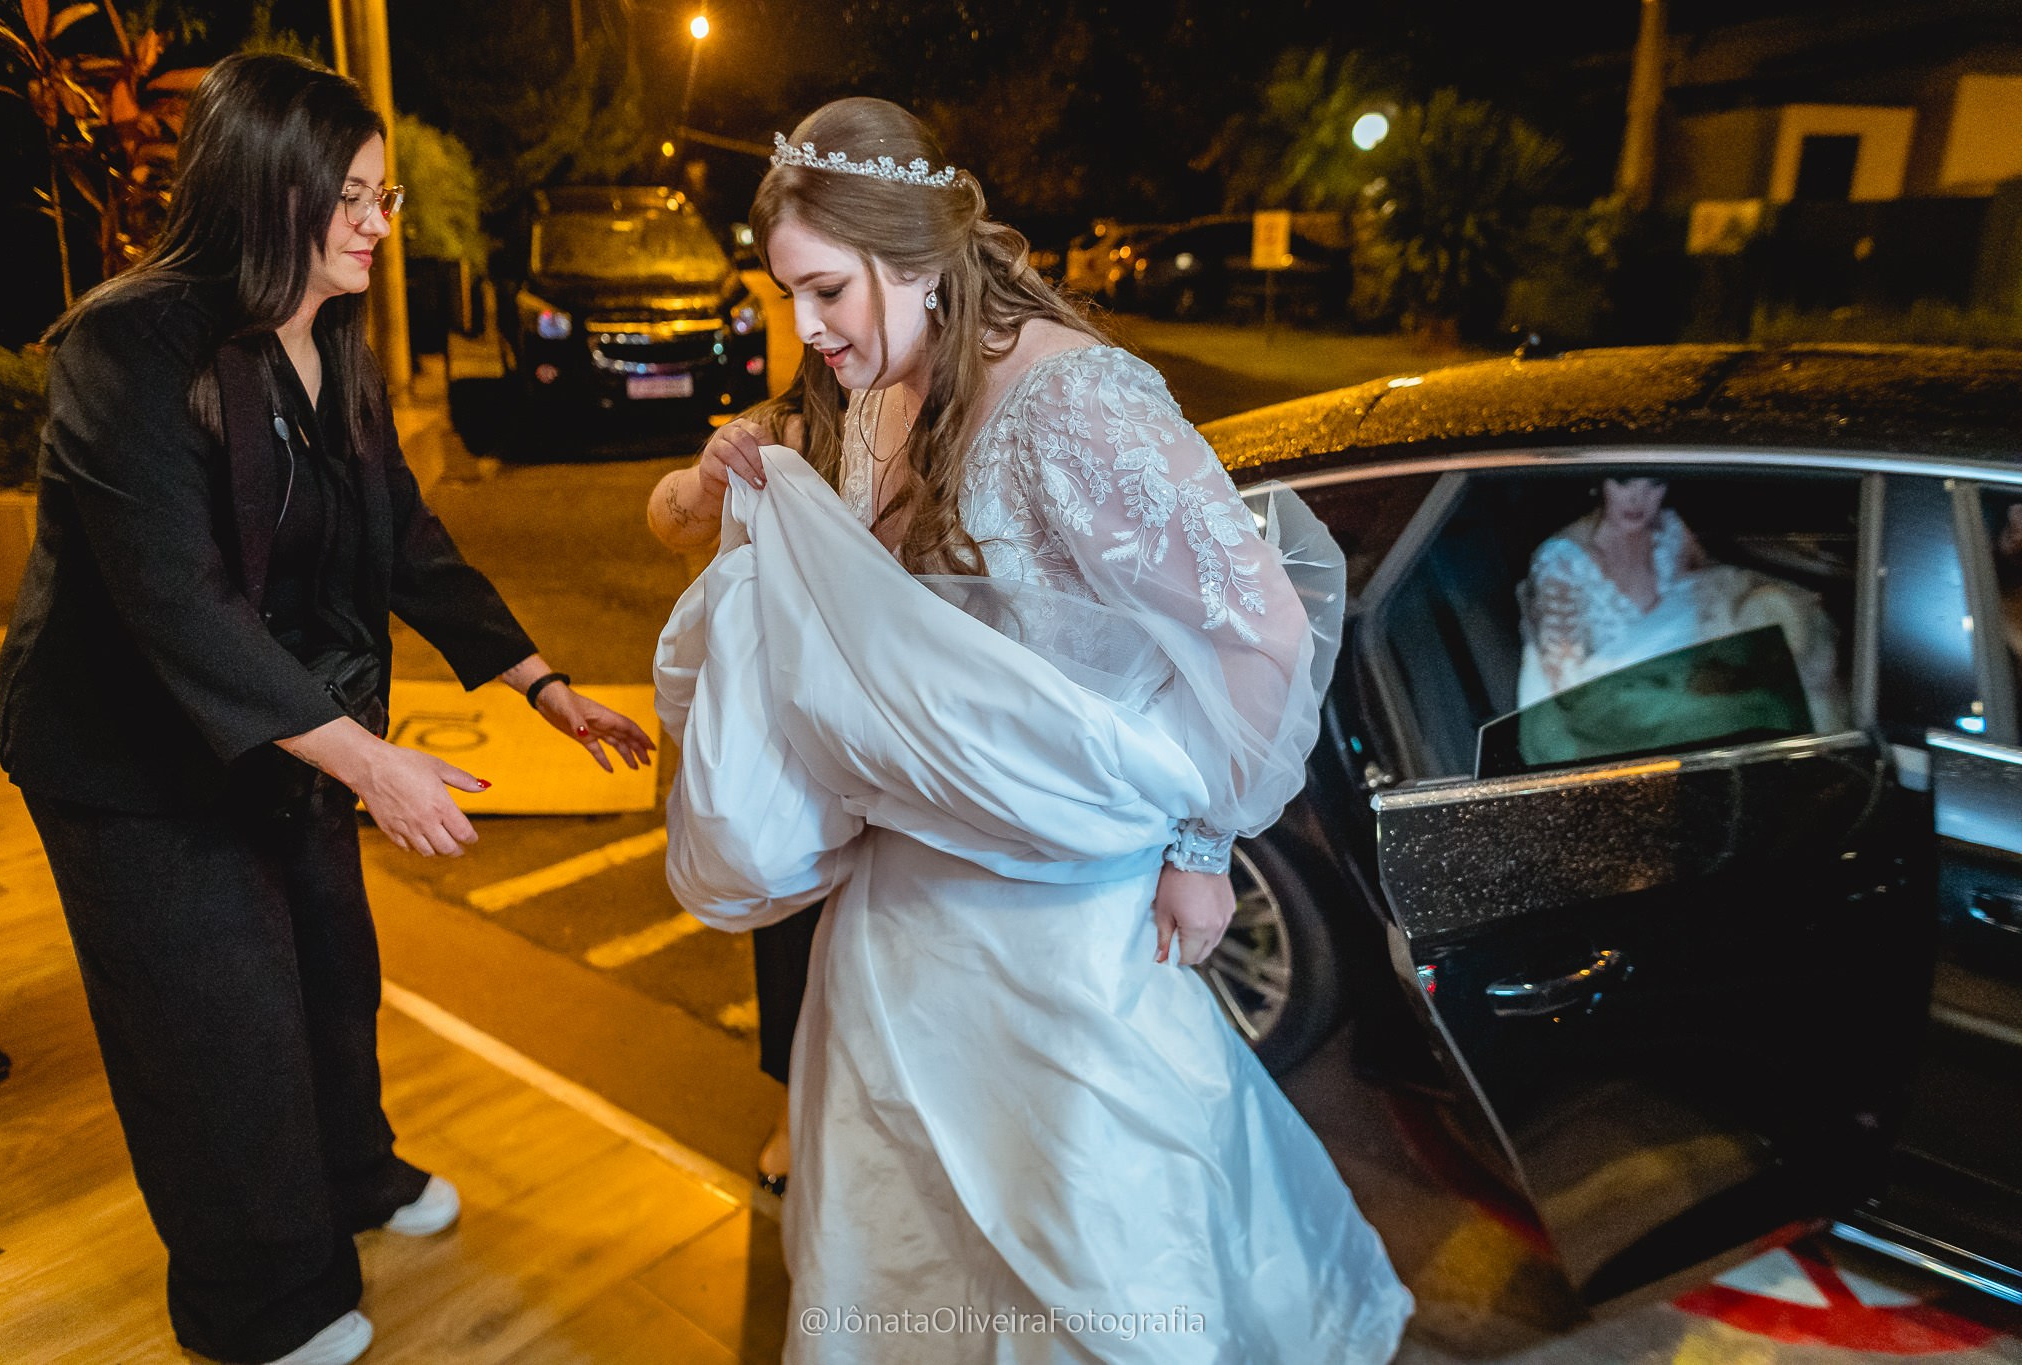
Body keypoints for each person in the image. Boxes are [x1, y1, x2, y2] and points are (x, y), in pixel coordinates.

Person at [650, 97, 1410, 1363]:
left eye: (825, 291)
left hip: (1060, 927)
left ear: (913, 258)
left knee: (1093, 1244)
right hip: (894, 917)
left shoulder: (1075, 404)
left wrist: (1202, 847)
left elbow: (1259, 635)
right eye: (788, 296)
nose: (806, 330)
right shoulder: (869, 393)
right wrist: (720, 482)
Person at [0, 53, 651, 1365]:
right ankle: (257, 1307)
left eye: (380, 194)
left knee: (333, 978)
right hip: (128, 759)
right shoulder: (125, 348)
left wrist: (540, 682)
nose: (377, 221)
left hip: (284, 725)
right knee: (215, 1030)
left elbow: (397, 529)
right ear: (264, 186)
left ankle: (352, 1174)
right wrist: (369, 762)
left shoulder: (330, 335)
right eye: (350, 194)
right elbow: (176, 600)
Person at [649, 400, 820, 1199]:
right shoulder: (795, 417)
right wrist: (703, 479)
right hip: (796, 720)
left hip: (920, 712)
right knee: (791, 915)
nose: (822, 339)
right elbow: (670, 521)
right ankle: (794, 1102)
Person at [1519, 477, 1847, 731]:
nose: (1638, 499)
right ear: (1601, 482)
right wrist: (1687, 690)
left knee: (1808, 691)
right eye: (1624, 483)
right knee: (1770, 709)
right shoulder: (1564, 560)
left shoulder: (1670, 529)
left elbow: (1716, 584)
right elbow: (1567, 686)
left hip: (1699, 665)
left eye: (1653, 485)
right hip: (1622, 698)